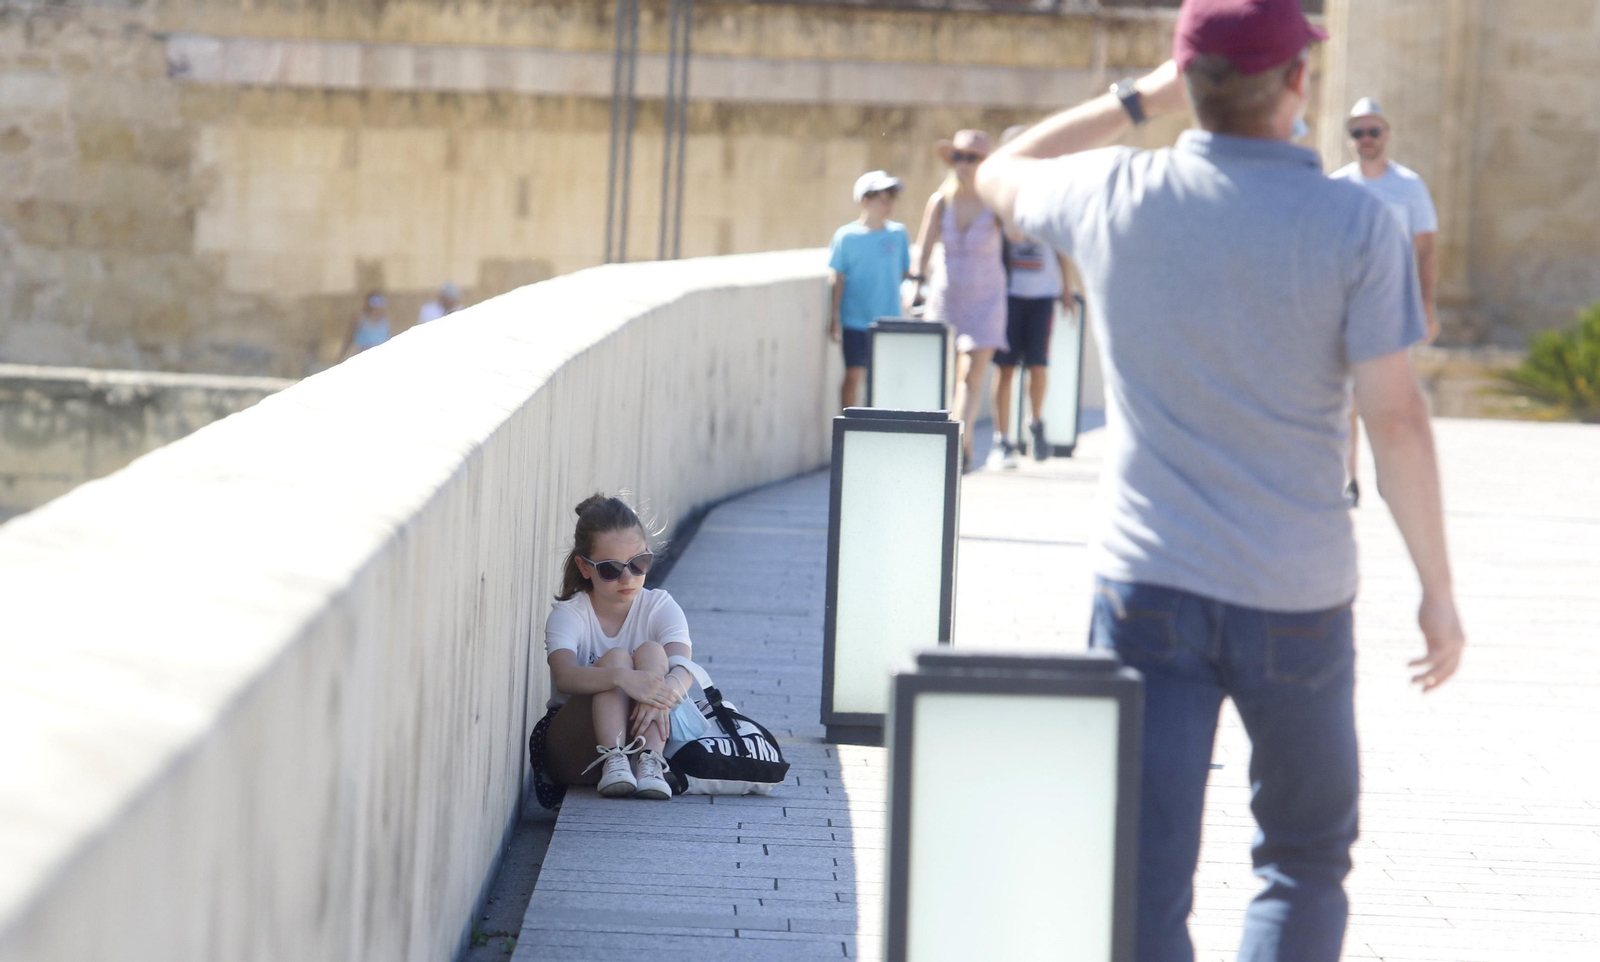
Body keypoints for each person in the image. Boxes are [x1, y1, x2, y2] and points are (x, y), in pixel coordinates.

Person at [976, 0, 1466, 959]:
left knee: (1143, 869)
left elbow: (999, 167)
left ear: (1190, 84)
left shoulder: (1117, 191)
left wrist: (1139, 95)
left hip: (1149, 584)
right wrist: (1438, 593)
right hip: (1300, 592)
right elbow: (1397, 417)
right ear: (1298, 84)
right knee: (1303, 859)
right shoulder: (1356, 223)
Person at [527, 495, 693, 807]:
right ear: (584, 567)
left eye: (638, 563)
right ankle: (614, 759)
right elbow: (565, 677)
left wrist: (663, 692)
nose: (628, 578)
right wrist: (622, 678)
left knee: (655, 655)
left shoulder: (660, 606)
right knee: (615, 661)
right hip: (576, 747)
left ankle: (650, 761)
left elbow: (683, 668)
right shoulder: (569, 613)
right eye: (610, 569)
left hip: (640, 732)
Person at [1331, 98, 1441, 504]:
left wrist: (1428, 308)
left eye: (1373, 131)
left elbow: (1426, 248)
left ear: (1387, 135)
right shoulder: (1338, 186)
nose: (1366, 139)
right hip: (1346, 304)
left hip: (1393, 303)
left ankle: (1391, 478)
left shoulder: (1409, 186)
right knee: (1347, 396)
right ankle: (1349, 478)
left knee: (1388, 397)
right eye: (1358, 132)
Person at [913, 129, 1009, 470]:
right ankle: (947, 438)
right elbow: (923, 248)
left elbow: (1019, 234)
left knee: (971, 374)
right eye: (959, 157)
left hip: (986, 298)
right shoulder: (941, 201)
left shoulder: (996, 202)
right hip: (946, 296)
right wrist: (915, 284)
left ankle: (961, 444)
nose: (964, 164)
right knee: (945, 373)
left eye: (972, 158)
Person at [992, 125, 1075, 469]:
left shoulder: (1048, 192)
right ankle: (1002, 438)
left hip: (1041, 293)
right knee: (1006, 368)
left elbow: (1060, 245)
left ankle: (1035, 422)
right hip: (1008, 294)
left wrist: (1067, 288)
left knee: (1039, 364)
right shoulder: (996, 196)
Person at [828, 171, 911, 410]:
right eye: (882, 199)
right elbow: (838, 277)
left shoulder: (898, 234)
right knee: (853, 375)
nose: (888, 206)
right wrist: (833, 317)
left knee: (884, 380)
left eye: (890, 200)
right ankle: (847, 428)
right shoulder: (846, 236)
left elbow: (906, 273)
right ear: (865, 201)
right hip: (855, 319)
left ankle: (877, 431)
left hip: (888, 319)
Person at [342, 290, 391, 359]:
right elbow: (349, 337)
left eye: (380, 302)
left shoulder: (385, 320)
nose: (377, 306)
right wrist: (342, 355)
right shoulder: (359, 317)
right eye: (374, 302)